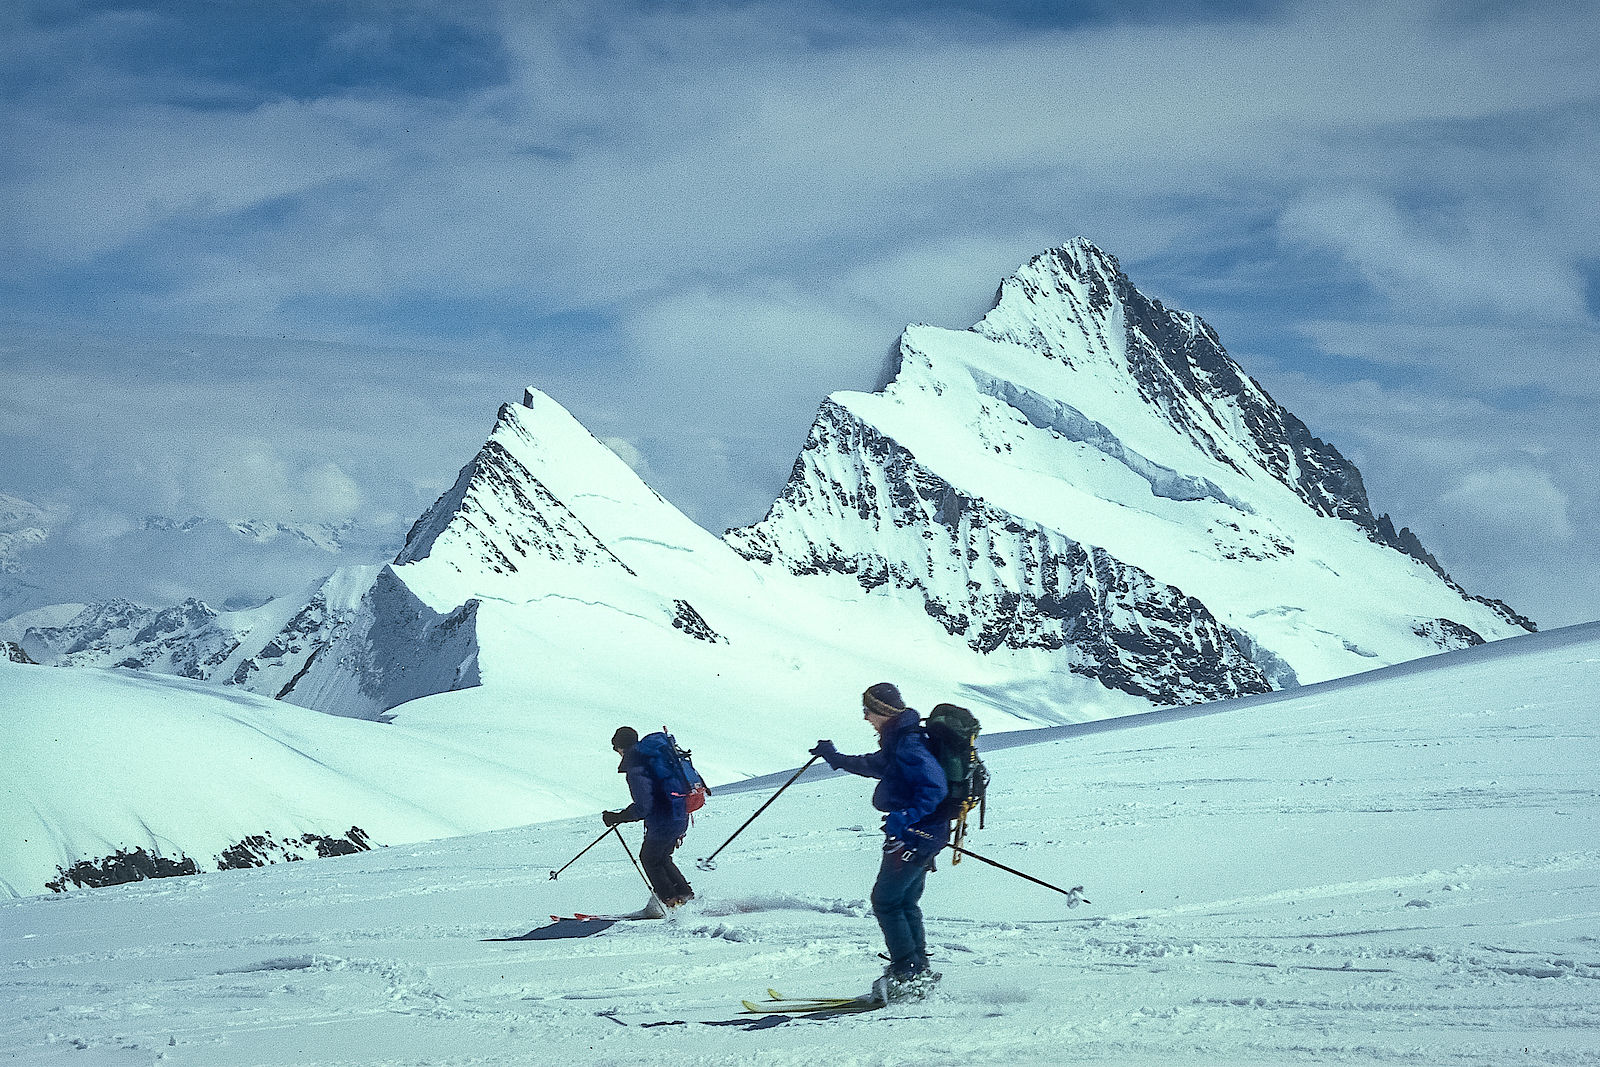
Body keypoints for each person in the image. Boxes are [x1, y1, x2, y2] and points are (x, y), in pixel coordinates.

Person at [810, 682, 950, 1000]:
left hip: (915, 835)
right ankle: (917, 969)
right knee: (904, 901)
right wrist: (835, 757)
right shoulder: (899, 738)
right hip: (924, 834)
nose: (865, 718)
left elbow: (935, 788)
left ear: (883, 712)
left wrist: (907, 817)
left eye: (867, 711)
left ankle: (908, 973)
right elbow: (877, 765)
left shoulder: (909, 743)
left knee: (886, 901)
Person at [603, 726, 695, 908]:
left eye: (616, 748)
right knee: (661, 858)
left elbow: (644, 806)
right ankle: (684, 895)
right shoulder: (655, 759)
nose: (617, 753)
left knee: (650, 859)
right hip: (680, 815)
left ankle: (671, 902)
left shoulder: (636, 767)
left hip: (664, 821)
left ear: (621, 747)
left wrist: (618, 817)